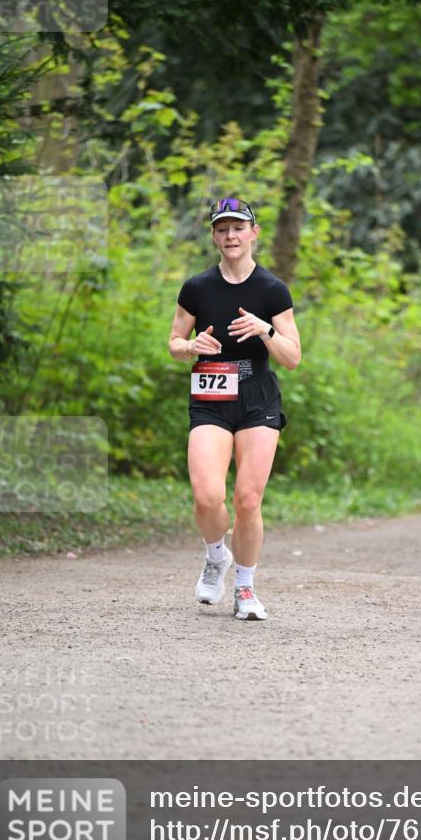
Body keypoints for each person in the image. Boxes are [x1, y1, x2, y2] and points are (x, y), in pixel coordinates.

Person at [168, 197, 301, 620]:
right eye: (222, 229)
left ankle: (245, 587)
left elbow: (292, 357)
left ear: (253, 233)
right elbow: (174, 343)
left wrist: (265, 330)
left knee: (247, 499)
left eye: (238, 228)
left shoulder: (272, 290)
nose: (231, 236)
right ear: (214, 236)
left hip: (257, 397)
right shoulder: (197, 288)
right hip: (210, 396)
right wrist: (191, 346)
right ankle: (215, 556)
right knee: (207, 496)